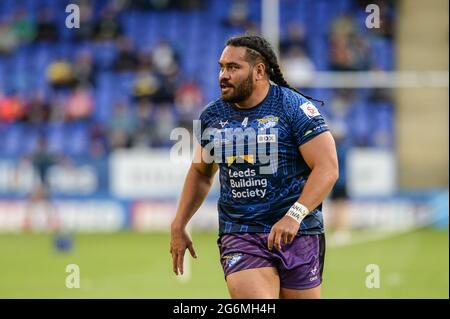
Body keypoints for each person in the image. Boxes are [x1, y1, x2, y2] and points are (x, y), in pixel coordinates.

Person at [170, 35, 338, 299]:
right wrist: (179, 223)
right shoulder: (213, 116)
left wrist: (293, 216)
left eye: (233, 67)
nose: (223, 75)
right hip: (241, 233)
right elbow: (201, 173)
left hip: (299, 232)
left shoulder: (294, 108)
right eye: (222, 67)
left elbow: (327, 168)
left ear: (259, 71)